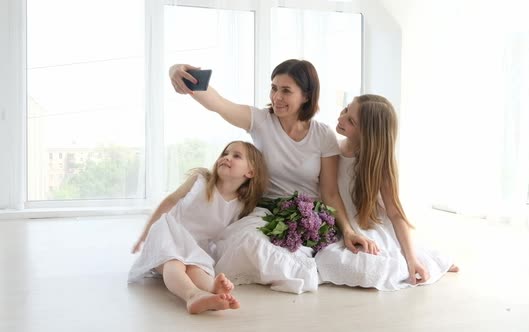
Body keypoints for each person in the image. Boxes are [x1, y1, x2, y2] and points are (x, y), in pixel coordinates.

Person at [169, 60, 377, 294]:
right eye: (274, 87)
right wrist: (177, 71)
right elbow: (219, 104)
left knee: (300, 262)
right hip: (265, 210)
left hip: (307, 215)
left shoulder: (322, 134)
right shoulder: (260, 121)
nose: (277, 96)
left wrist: (348, 231)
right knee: (251, 243)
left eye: (286, 90)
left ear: (306, 96)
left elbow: (329, 192)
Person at [315, 94, 459, 290]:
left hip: (364, 221)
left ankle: (424, 260)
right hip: (338, 218)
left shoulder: (378, 165)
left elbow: (395, 213)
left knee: (377, 264)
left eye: (351, 121)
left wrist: (411, 260)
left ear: (367, 133)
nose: (341, 119)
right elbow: (329, 192)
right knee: (328, 260)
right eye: (346, 110)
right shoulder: (332, 149)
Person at [128, 141, 268, 314]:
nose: (226, 157)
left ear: (250, 172)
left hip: (196, 246)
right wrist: (145, 235)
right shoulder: (200, 180)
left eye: (236, 156)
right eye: (225, 153)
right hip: (169, 232)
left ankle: (213, 288)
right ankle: (192, 295)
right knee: (175, 262)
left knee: (196, 268)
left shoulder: (241, 205)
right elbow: (169, 201)